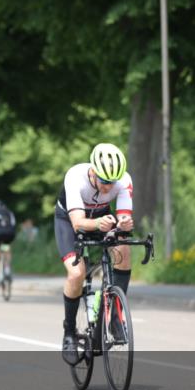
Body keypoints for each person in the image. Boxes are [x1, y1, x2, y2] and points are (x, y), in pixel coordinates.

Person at [54, 143, 133, 365]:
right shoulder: (75, 177)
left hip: (102, 219)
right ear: (93, 172)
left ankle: (115, 316)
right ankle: (69, 333)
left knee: (123, 249)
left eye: (113, 182)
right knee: (77, 273)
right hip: (69, 222)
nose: (109, 187)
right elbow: (78, 223)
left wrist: (124, 224)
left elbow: (124, 215)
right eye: (105, 182)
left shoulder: (123, 180)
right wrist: (99, 223)